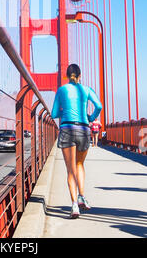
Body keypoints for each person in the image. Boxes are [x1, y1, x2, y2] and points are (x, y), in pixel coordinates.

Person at [51, 64, 102, 219]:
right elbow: (98, 106)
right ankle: (82, 196)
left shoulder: (61, 90)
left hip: (67, 128)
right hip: (84, 129)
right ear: (80, 75)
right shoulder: (86, 89)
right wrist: (90, 118)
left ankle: (74, 205)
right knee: (79, 164)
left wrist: (64, 110)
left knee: (70, 169)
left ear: (67, 76)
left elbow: (53, 113)